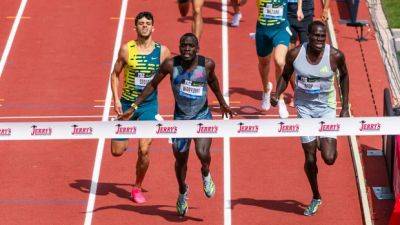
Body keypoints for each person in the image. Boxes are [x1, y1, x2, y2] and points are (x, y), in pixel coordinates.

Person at [119, 33, 234, 216]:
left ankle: (205, 172)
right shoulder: (171, 65)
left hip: (201, 115)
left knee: (202, 153)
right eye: (183, 46)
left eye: (190, 46)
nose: (186, 49)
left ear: (197, 48)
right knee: (181, 160)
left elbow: (213, 82)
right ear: (179, 48)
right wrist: (134, 106)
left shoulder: (207, 64)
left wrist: (222, 103)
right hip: (180, 119)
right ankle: (182, 191)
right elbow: (152, 84)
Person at [271, 21, 350, 216]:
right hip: (304, 108)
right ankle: (316, 196)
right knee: (310, 155)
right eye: (316, 36)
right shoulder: (295, 54)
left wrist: (345, 106)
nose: (319, 40)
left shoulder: (335, 56)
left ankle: (323, 141)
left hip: (326, 108)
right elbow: (285, 74)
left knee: (329, 158)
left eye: (323, 37)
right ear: (308, 36)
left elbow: (345, 76)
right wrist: (277, 93)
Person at [110, 11, 170, 204]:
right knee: (117, 151)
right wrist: (116, 100)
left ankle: (136, 187)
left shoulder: (162, 52)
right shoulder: (127, 49)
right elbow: (115, 74)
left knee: (144, 150)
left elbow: (174, 74)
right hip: (127, 105)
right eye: (141, 23)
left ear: (153, 27)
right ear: (135, 27)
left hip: (148, 106)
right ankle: (124, 132)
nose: (144, 26)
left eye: (147, 23)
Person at [255, 0, 303, 118]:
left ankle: (280, 99)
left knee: (280, 61)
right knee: (264, 62)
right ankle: (266, 89)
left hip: (281, 29)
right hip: (263, 30)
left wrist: (299, 8)